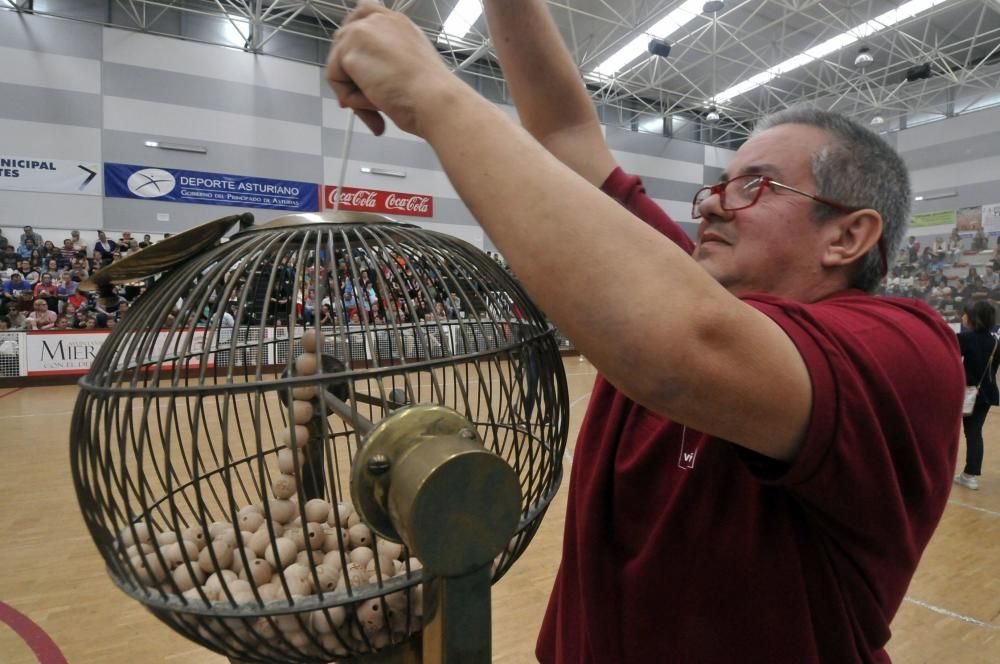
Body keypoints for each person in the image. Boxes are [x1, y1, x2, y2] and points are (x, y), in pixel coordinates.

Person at [326, 2, 964, 662]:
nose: (714, 201)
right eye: (718, 184)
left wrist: (431, 94)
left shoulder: (904, 348)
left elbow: (682, 350)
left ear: (849, 235)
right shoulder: (683, 285)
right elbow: (565, 136)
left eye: (756, 186)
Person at [956, 301, 1000, 490]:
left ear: (973, 317)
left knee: (955, 432)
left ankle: (967, 475)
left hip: (967, 394)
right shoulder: (996, 342)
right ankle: (970, 474)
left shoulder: (966, 338)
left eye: (964, 314)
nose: (962, 317)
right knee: (974, 433)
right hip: (987, 394)